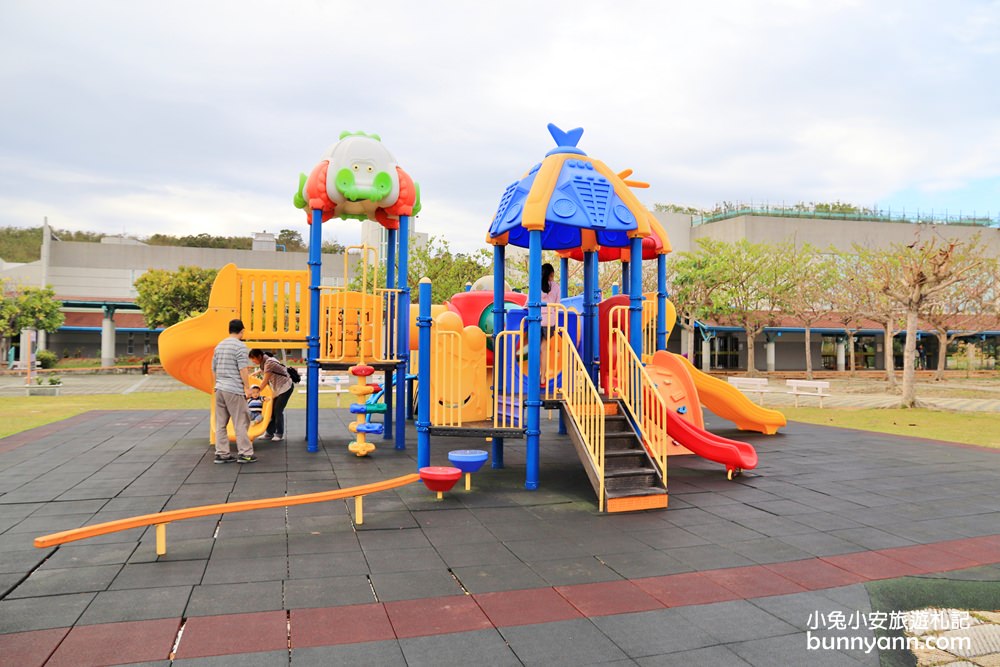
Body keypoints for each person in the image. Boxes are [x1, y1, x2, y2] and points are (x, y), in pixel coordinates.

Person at [212, 319, 256, 464]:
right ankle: (245, 453)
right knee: (241, 422)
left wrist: (217, 384)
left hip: (219, 388)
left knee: (220, 424)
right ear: (242, 331)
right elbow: (243, 369)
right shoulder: (240, 347)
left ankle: (222, 453)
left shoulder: (219, 346)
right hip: (233, 389)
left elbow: (214, 369)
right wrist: (247, 387)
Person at [249, 349, 294, 442]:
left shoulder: (269, 363)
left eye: (253, 359)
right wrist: (253, 374)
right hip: (277, 388)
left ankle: (279, 434)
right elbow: (262, 370)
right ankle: (269, 433)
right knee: (271, 410)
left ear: (259, 357)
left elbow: (265, 381)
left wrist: (255, 392)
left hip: (285, 387)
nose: (253, 361)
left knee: (277, 410)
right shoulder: (264, 360)